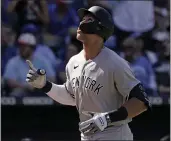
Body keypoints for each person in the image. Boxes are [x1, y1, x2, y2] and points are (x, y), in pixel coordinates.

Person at [26, 6, 151, 140]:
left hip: (113, 134)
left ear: (100, 28)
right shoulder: (74, 62)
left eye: (88, 19)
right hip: (87, 135)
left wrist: (107, 119)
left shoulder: (115, 63)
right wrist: (45, 85)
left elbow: (141, 101)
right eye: (82, 19)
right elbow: (71, 97)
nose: (81, 22)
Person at [3, 33, 56, 97]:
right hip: (22, 91)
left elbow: (52, 78)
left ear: (32, 48)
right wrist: (25, 86)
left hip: (40, 90)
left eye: (24, 46)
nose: (21, 48)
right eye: (20, 46)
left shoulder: (42, 61)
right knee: (16, 93)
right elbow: (10, 81)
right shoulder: (13, 62)